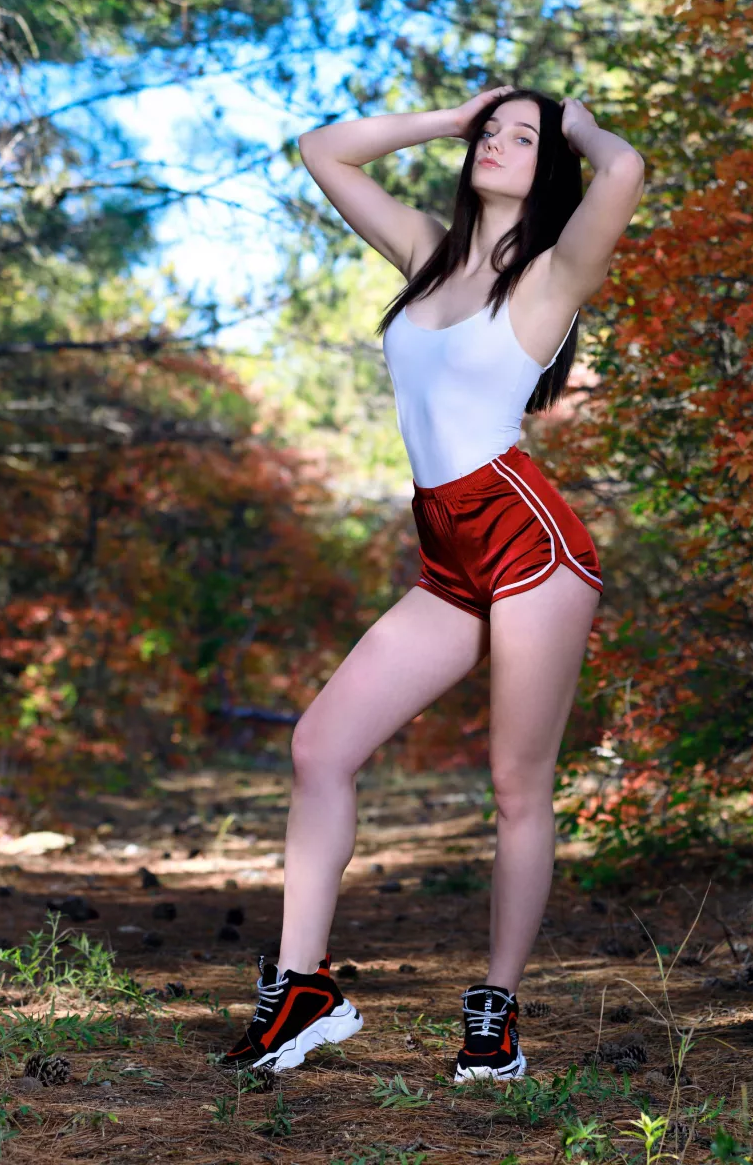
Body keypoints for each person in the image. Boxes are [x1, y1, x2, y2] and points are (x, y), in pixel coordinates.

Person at [219, 84, 647, 1081]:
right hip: (448, 552)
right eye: (490, 132)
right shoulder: (427, 252)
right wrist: (452, 118)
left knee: (516, 788)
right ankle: (302, 991)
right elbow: (322, 148)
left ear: (549, 167)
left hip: (530, 545)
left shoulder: (552, 274)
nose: (497, 143)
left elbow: (624, 169)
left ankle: (494, 1017)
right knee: (320, 746)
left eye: (520, 138)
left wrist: (574, 126)